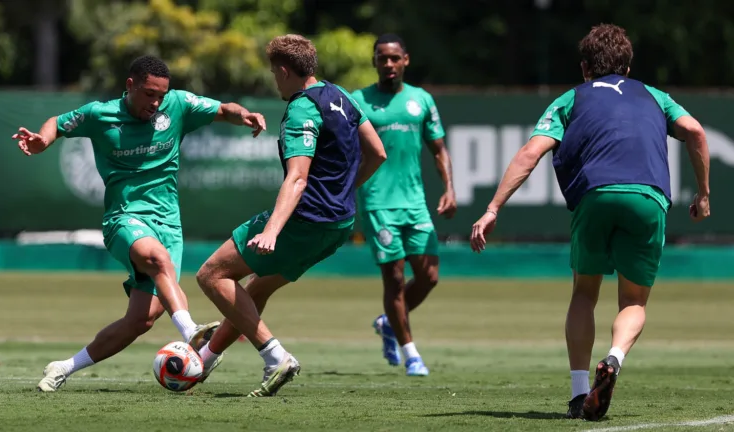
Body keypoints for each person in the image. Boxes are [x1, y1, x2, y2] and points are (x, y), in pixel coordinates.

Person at [470, 24, 711, 421]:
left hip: (594, 195)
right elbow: (696, 132)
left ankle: (579, 393)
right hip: (647, 197)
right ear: (628, 68)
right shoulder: (655, 96)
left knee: (584, 293)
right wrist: (702, 194)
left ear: (585, 68)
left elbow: (531, 153)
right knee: (633, 301)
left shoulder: (571, 99)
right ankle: (614, 358)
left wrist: (493, 208)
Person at [12, 55, 267, 392]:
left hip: (168, 224)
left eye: (161, 95)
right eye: (149, 94)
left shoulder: (177, 105)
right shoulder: (100, 114)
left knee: (141, 320)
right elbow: (57, 123)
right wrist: (43, 141)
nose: (156, 102)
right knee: (156, 258)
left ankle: (64, 367)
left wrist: (244, 115)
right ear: (130, 85)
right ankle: (191, 331)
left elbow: (223, 110)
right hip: (124, 217)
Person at [193, 34, 387, 397]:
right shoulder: (341, 95)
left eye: (273, 73)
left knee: (212, 274)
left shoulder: (301, 108)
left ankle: (276, 357)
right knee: (256, 289)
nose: (274, 80)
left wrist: (271, 230)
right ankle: (203, 359)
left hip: (304, 220)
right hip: (339, 224)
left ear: (284, 71)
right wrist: (344, 191)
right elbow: (377, 152)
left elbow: (297, 178)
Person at [351, 34, 456, 376]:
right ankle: (411, 353)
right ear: (374, 61)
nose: (389, 64)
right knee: (394, 279)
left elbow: (439, 150)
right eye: (382, 58)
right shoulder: (358, 101)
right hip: (377, 203)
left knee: (429, 276)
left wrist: (449, 189)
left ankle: (388, 322)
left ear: (405, 60)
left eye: (394, 58)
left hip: (414, 203)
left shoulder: (421, 100)